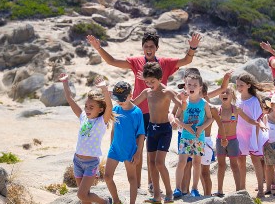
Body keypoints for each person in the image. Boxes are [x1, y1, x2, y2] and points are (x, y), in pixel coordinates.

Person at [86, 31, 202, 194]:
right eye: (146, 46)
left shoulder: (165, 64)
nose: (149, 49)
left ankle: (152, 184)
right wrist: (98, 48)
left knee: (151, 151)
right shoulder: (136, 62)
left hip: (157, 115)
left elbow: (187, 60)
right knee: (136, 149)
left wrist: (192, 47)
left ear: (156, 48)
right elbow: (112, 61)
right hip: (137, 112)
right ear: (142, 47)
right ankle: (137, 185)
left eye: (152, 46)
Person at [60, 73, 115, 204]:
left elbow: (109, 106)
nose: (88, 109)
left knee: (81, 194)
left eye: (92, 107)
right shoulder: (83, 116)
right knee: (84, 197)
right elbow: (70, 99)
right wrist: (65, 82)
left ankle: (104, 202)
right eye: (86, 106)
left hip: (91, 163)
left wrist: (104, 88)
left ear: (100, 109)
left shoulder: (101, 122)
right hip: (77, 161)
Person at [131, 62, 181, 204]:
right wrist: (123, 99)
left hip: (165, 130)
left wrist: (175, 116)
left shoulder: (167, 92)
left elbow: (181, 104)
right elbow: (134, 103)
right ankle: (157, 195)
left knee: (159, 163)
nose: (149, 84)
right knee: (152, 163)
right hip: (151, 129)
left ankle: (169, 193)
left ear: (160, 79)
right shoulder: (147, 92)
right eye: (147, 82)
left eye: (152, 81)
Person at [104, 81, 145, 204]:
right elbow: (113, 129)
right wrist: (111, 146)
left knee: (132, 178)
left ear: (130, 95)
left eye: (122, 99)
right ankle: (117, 202)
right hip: (115, 149)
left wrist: (138, 153)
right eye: (117, 99)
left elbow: (141, 135)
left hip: (130, 150)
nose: (120, 102)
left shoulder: (137, 112)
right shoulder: (115, 110)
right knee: (107, 176)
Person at [171, 72, 213, 199]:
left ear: (200, 87)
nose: (192, 87)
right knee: (181, 162)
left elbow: (210, 119)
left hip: (199, 137)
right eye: (189, 84)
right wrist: (185, 126)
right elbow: (177, 118)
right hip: (185, 136)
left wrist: (201, 128)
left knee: (196, 163)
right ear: (185, 86)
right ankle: (177, 188)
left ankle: (195, 188)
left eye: (195, 85)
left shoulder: (203, 103)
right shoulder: (184, 102)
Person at [234, 73, 269, 198]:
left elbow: (257, 119)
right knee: (241, 162)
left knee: (255, 160)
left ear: (248, 85)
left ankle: (260, 189)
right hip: (239, 134)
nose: (239, 87)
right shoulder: (237, 99)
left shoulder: (254, 101)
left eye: (241, 85)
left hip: (253, 134)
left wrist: (256, 139)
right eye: (237, 85)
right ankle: (242, 189)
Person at [211, 83, 241, 197]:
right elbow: (208, 121)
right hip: (220, 140)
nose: (224, 94)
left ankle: (239, 191)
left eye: (227, 92)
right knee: (221, 165)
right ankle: (219, 190)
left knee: (234, 165)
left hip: (233, 140)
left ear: (232, 95)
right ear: (219, 96)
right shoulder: (217, 110)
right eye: (222, 92)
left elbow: (249, 119)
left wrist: (258, 123)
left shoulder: (236, 109)